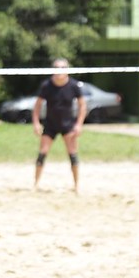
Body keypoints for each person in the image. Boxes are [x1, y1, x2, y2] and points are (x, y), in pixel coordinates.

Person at [31, 58, 87, 193]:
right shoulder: (46, 85)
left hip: (68, 125)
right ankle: (35, 185)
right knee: (42, 154)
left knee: (73, 155)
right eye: (56, 68)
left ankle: (76, 186)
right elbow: (37, 105)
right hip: (50, 124)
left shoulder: (73, 85)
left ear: (67, 70)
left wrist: (79, 124)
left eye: (62, 68)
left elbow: (82, 105)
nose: (59, 71)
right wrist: (36, 122)